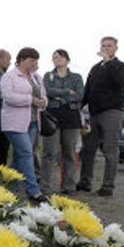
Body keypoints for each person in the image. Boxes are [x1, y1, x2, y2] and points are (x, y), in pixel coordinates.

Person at [78, 36, 124, 196]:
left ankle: (108, 186)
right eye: (103, 46)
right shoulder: (95, 68)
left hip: (112, 112)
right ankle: (85, 182)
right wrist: (79, 108)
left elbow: (119, 82)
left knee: (110, 149)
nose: (106, 48)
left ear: (116, 48)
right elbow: (88, 90)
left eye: (109, 46)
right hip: (94, 113)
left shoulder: (122, 66)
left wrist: (108, 62)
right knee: (88, 149)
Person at [0, 47, 49, 204]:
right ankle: (33, 191)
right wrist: (31, 100)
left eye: (36, 60)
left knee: (19, 157)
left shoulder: (37, 77)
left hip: (33, 122)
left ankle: (10, 189)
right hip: (14, 123)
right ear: (22, 60)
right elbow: (8, 97)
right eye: (32, 60)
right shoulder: (9, 77)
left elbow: (44, 96)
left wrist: (43, 103)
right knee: (27, 153)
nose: (34, 63)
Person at [40, 49, 84, 195]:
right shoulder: (48, 76)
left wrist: (61, 98)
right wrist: (66, 92)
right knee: (49, 152)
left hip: (71, 116)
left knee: (69, 153)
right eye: (54, 57)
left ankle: (69, 186)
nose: (57, 59)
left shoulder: (76, 77)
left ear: (67, 59)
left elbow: (79, 95)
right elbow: (47, 91)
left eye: (60, 57)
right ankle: (45, 186)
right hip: (52, 116)